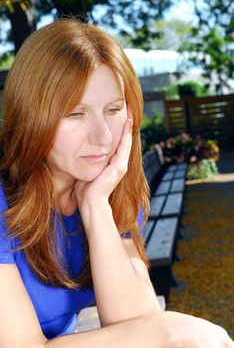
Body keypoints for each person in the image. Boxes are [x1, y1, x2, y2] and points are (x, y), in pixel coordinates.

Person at [0, 18, 233, 348]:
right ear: (31, 116)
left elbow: (133, 322)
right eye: (75, 114)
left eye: (113, 109)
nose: (103, 136)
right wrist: (167, 329)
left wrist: (96, 207)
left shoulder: (109, 193)